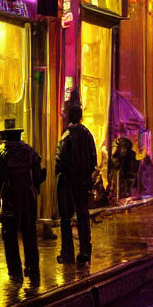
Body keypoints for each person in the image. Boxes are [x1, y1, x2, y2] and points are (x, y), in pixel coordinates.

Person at [0, 119, 45, 284]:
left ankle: (15, 273)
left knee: (10, 238)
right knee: (30, 236)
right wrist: (35, 190)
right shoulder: (30, 152)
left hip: (9, 201)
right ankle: (33, 269)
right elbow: (38, 176)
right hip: (28, 200)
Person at [56, 105, 97, 264]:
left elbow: (60, 161)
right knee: (82, 215)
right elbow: (93, 160)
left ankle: (67, 253)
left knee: (65, 218)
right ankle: (85, 251)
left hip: (68, 182)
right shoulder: (87, 134)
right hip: (83, 182)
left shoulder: (67, 136)